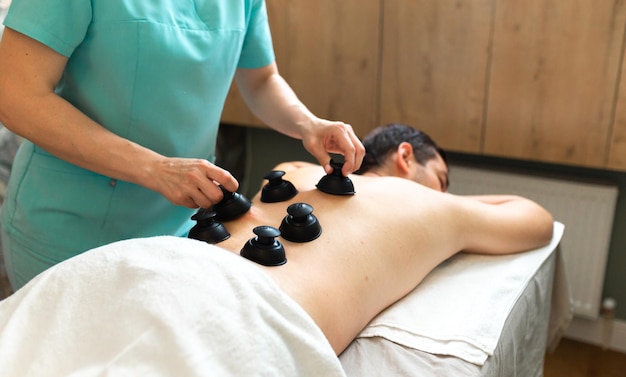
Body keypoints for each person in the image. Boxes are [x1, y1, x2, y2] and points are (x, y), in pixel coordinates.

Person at [0, 124, 554, 375]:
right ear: (407, 157)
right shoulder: (428, 206)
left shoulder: (288, 172)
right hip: (235, 312)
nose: (448, 193)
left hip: (126, 267)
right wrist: (438, 200)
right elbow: (535, 220)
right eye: (445, 177)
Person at [0, 0, 365, 290]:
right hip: (72, 231)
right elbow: (15, 97)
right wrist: (155, 168)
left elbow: (261, 80)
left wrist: (308, 124)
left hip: (183, 226)